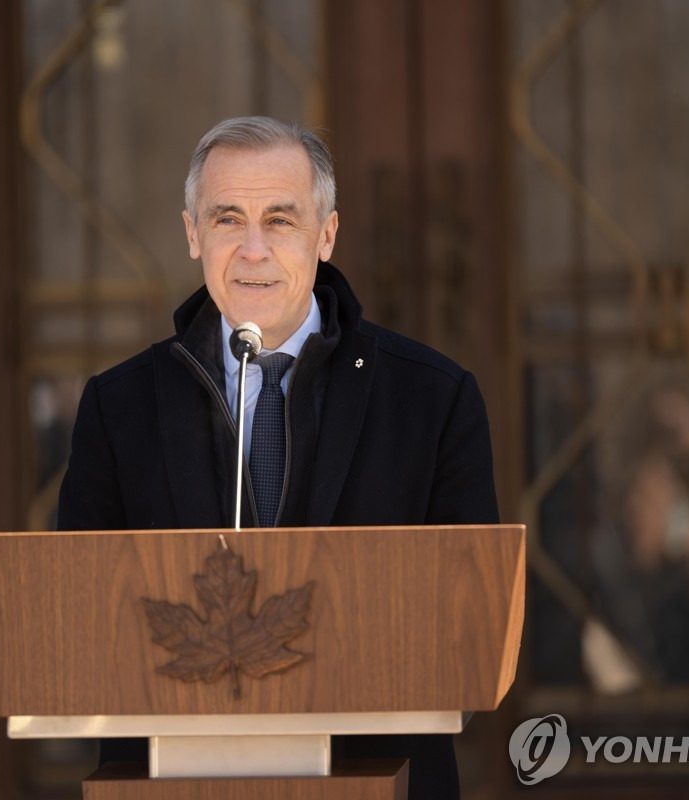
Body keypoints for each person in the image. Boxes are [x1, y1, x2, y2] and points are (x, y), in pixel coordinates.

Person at [58, 115, 499, 799]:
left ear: (326, 235)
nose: (253, 250)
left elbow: (468, 629)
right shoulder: (119, 408)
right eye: (228, 219)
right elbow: (79, 624)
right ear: (192, 234)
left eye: (281, 221)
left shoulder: (433, 399)